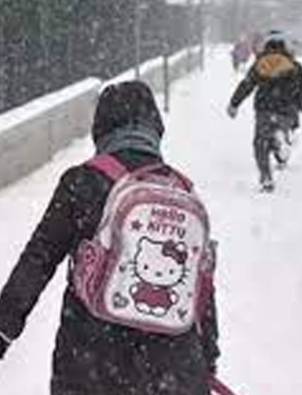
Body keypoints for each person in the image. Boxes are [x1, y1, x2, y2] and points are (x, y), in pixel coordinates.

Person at [0, 81, 221, 394]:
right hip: (174, 367)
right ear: (155, 129)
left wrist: (4, 328)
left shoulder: (82, 183)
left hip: (91, 361)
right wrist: (206, 359)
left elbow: (37, 261)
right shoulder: (182, 191)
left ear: (101, 129)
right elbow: (201, 288)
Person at [227, 31, 302, 193]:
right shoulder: (294, 65)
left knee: (260, 143)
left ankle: (266, 178)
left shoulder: (260, 64)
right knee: (281, 131)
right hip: (286, 110)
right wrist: (301, 106)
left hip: (264, 108)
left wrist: (234, 104)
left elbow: (247, 85)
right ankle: (280, 142)